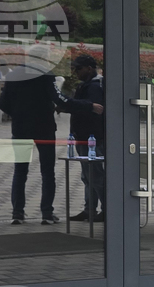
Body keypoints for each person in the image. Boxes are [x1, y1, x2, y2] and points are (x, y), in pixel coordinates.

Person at [0, 46, 61, 224]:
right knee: (48, 172)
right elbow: (57, 99)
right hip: (44, 128)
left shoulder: (12, 75)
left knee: (20, 172)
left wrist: (18, 113)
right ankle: (47, 214)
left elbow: (3, 104)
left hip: (20, 128)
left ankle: (17, 213)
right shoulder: (46, 75)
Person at [55, 55, 106, 222]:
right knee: (88, 176)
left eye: (78, 68)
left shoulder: (95, 86)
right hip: (85, 136)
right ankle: (89, 209)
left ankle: (106, 209)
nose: (75, 72)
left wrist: (71, 106)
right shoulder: (88, 85)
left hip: (92, 137)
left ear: (89, 68)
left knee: (95, 175)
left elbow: (95, 110)